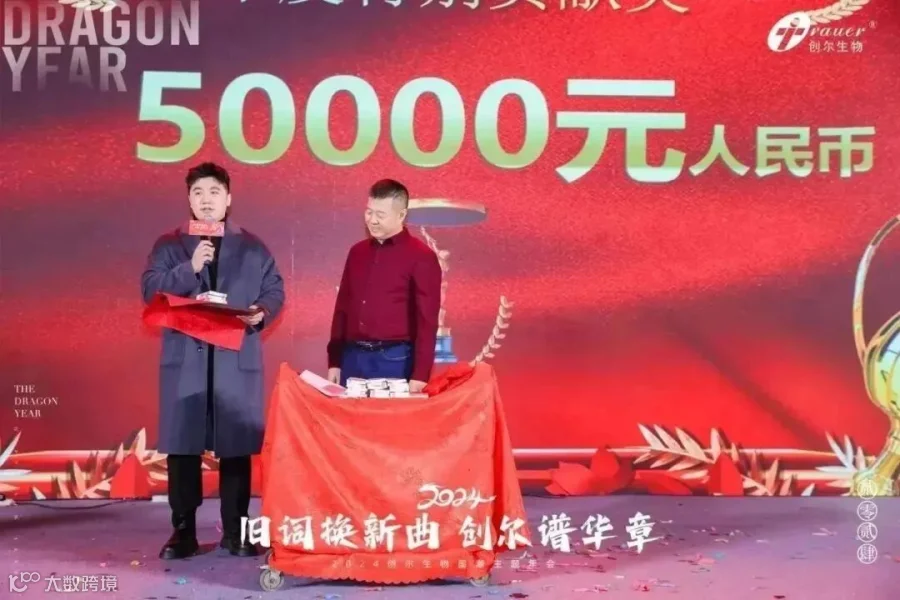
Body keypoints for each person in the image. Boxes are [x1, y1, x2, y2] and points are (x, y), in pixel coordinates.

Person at [140, 162, 285, 560]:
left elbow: (274, 289)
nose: (206, 200)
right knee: (183, 448)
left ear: (229, 198)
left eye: (214, 192)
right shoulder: (169, 245)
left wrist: (261, 311)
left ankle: (236, 531)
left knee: (236, 446)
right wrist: (190, 268)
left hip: (232, 358)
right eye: (198, 193)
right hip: (187, 359)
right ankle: (183, 531)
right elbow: (150, 289)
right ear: (189, 199)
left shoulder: (252, 246)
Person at [327, 179, 441, 392]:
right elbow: (342, 307)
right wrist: (335, 360)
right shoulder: (357, 252)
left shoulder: (421, 257)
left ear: (401, 215)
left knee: (390, 416)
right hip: (352, 357)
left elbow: (427, 321)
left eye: (380, 215)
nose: (372, 220)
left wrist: (420, 374)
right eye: (369, 212)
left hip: (395, 360)